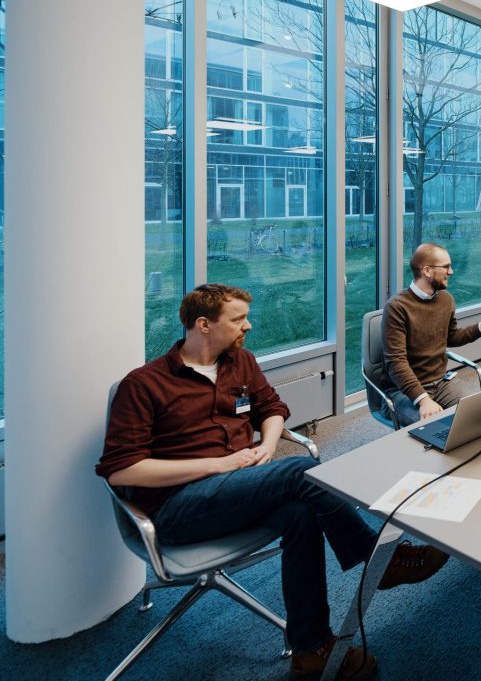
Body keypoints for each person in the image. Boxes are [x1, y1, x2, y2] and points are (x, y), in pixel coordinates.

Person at [97, 284, 448, 680]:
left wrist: (266, 442)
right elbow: (122, 470)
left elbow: (273, 408)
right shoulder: (144, 385)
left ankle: (312, 648)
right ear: (203, 325)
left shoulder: (240, 363)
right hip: (178, 507)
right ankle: (380, 559)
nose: (249, 324)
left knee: (299, 513)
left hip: (238, 489)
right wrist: (215, 465)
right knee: (299, 472)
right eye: (237, 319)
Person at [383, 243, 481, 426]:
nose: (451, 272)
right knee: (436, 429)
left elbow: (451, 337)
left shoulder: (446, 299)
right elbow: (396, 363)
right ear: (427, 270)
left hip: (439, 383)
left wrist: (479, 328)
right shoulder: (397, 307)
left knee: (480, 416)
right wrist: (423, 400)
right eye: (446, 267)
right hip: (402, 391)